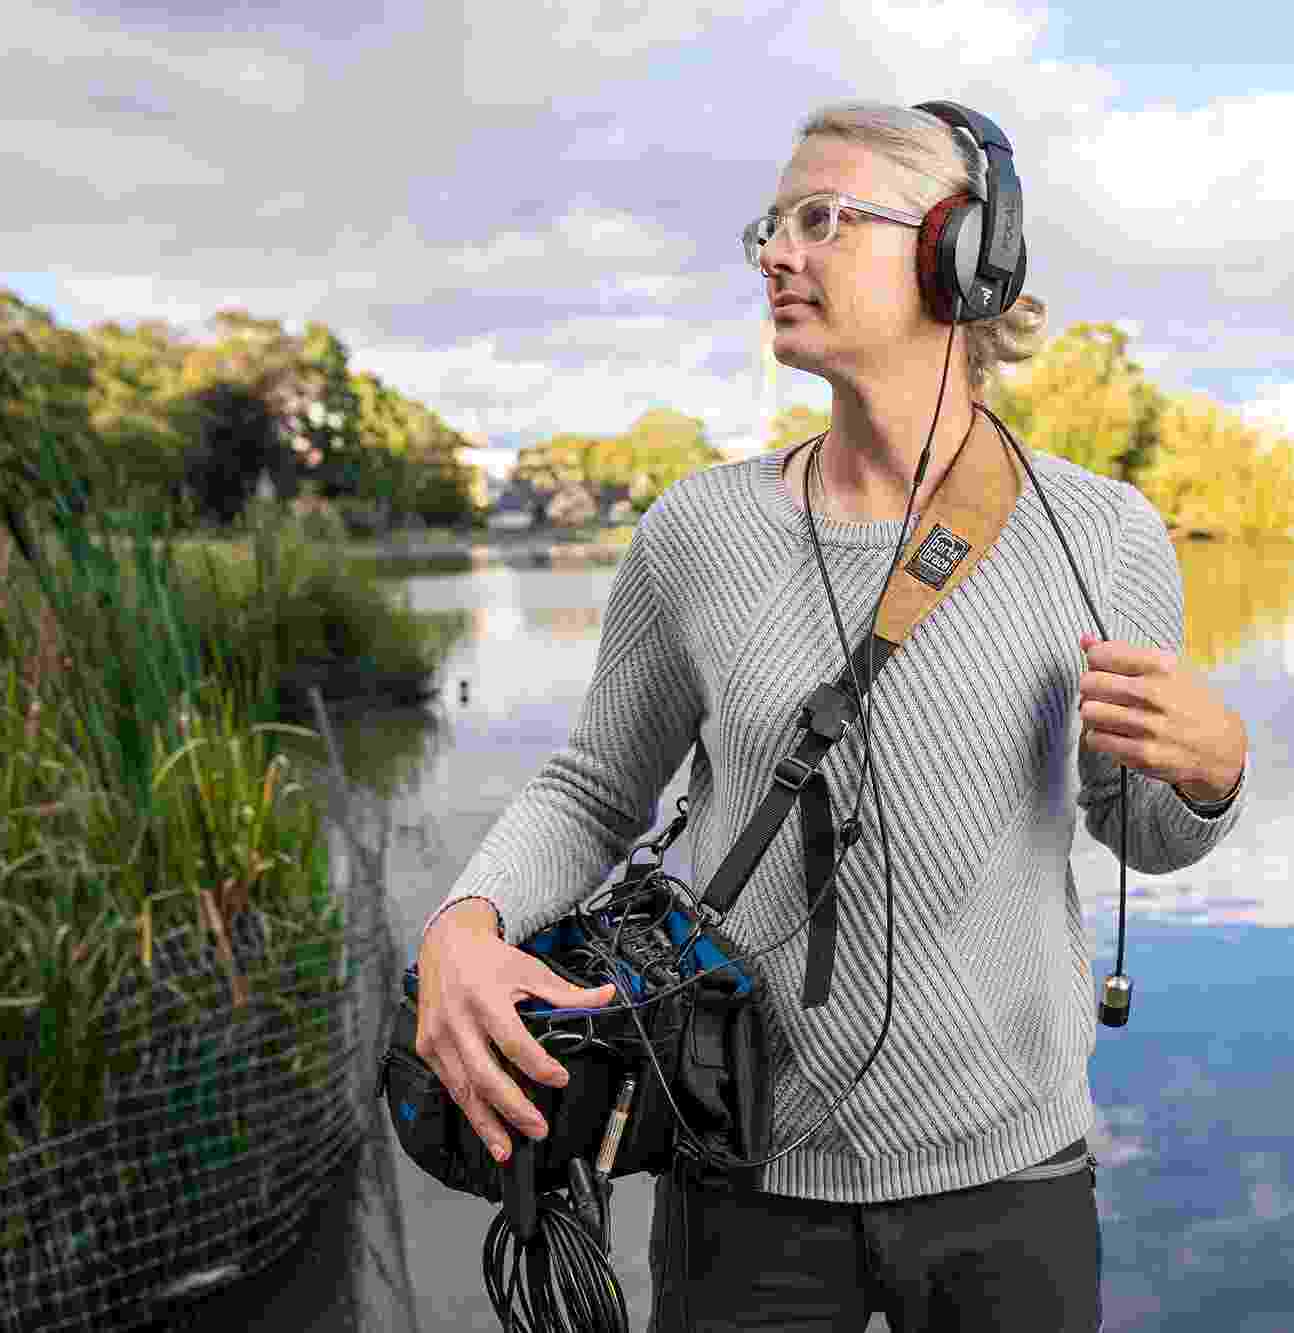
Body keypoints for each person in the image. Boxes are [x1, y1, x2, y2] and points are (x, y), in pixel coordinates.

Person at [412, 100, 1251, 1332]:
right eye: (772, 223)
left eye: (823, 219)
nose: (774, 252)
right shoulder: (695, 531)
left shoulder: (1100, 534)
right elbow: (596, 787)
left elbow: (1141, 833)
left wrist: (1214, 770)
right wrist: (462, 920)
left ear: (956, 255)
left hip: (1011, 1181)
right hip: (740, 1173)